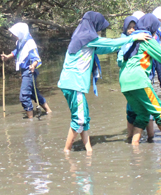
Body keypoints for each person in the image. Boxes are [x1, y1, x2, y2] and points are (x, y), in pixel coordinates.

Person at [57, 11, 147, 154]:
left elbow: (105, 47)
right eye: (99, 27)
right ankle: (66, 152)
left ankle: (88, 150)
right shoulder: (86, 37)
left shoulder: (81, 36)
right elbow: (109, 42)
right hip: (74, 84)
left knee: (83, 116)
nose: (99, 30)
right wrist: (134, 37)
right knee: (79, 119)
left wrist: (122, 45)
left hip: (71, 83)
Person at [118, 14, 161, 146]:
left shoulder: (131, 38)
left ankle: (134, 147)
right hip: (138, 80)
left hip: (124, 82)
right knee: (160, 112)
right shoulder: (147, 38)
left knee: (142, 115)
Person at [1, 22, 52, 119]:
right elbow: (17, 51)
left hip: (29, 71)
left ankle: (30, 120)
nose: (14, 36)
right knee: (33, 93)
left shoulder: (30, 42)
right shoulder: (20, 41)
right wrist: (8, 56)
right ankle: (48, 111)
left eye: (16, 34)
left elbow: (36, 58)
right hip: (24, 70)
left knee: (24, 96)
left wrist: (33, 65)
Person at [118, 16, 154, 142]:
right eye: (129, 28)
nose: (132, 30)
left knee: (137, 111)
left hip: (134, 82)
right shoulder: (125, 42)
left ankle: (146, 138)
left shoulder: (140, 39)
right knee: (143, 111)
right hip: (138, 81)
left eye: (134, 27)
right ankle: (138, 139)